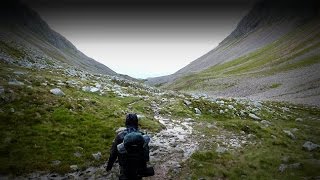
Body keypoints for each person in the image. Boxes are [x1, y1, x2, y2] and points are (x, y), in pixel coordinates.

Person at [106, 113, 152, 180]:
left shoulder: (120, 136)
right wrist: (146, 162)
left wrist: (109, 166)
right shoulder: (142, 135)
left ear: (126, 123)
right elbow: (146, 150)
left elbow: (113, 152)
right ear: (137, 122)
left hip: (125, 166)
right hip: (139, 166)